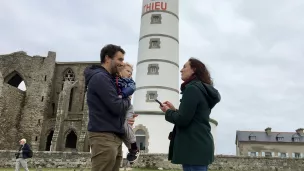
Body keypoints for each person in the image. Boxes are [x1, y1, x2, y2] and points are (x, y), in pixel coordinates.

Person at [159, 58, 221, 171]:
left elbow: (182, 120)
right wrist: (174, 110)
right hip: (200, 145)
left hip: (193, 148)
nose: (181, 70)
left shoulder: (192, 89)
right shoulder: (202, 89)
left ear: (193, 70)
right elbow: (193, 117)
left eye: (184, 67)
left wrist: (167, 112)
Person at [84, 44, 137, 171]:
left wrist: (125, 120)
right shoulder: (100, 78)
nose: (122, 64)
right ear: (108, 58)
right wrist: (127, 100)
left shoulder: (110, 79)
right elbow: (116, 106)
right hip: (104, 136)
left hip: (113, 135)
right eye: (120, 59)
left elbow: (116, 107)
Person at [114, 62, 140, 164]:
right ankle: (132, 149)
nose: (130, 73)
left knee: (126, 125)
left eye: (131, 72)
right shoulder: (114, 79)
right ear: (120, 70)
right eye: (127, 71)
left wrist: (122, 94)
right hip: (122, 107)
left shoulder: (130, 81)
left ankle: (134, 147)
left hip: (128, 107)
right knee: (123, 127)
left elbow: (132, 88)